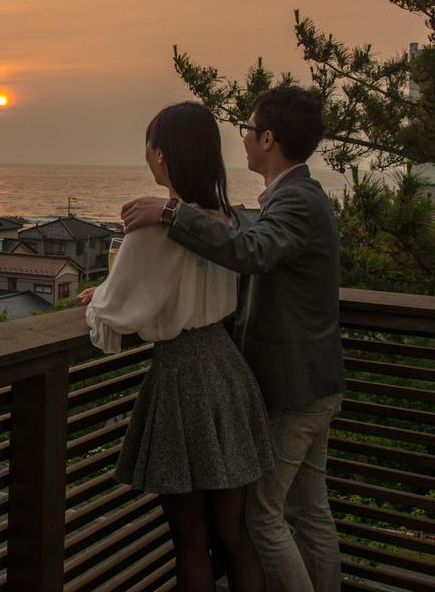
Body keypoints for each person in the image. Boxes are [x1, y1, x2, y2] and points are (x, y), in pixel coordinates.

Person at [121, 85, 345, 592]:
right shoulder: (296, 196)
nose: (240, 138)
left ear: (267, 138)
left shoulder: (295, 201)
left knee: (263, 519)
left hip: (296, 388)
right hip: (317, 381)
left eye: (246, 128)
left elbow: (253, 252)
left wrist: (174, 213)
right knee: (310, 512)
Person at [80, 101, 276, 592]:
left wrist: (96, 301)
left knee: (188, 537)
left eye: (150, 146)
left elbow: (113, 320)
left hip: (182, 380)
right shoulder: (226, 220)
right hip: (229, 375)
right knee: (233, 534)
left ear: (162, 156)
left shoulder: (152, 227)